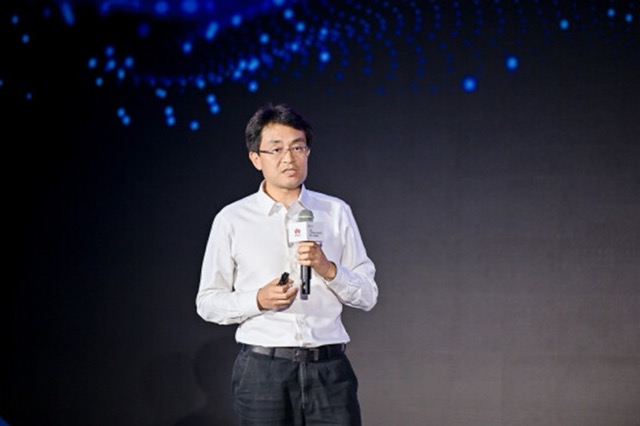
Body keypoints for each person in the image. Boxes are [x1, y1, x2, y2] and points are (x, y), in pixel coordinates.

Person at [195, 102, 378, 425]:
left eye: (298, 147)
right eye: (276, 149)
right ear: (256, 158)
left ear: (308, 152)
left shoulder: (335, 212)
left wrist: (328, 269)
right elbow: (208, 302)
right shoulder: (232, 219)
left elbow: (368, 295)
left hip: (329, 370)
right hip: (264, 370)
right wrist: (257, 299)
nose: (289, 158)